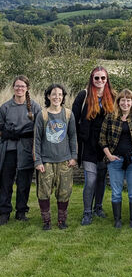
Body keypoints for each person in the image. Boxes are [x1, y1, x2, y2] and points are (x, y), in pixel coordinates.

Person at [99, 89, 132, 228]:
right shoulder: (110, 117)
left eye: (128, 100)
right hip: (115, 160)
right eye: (123, 100)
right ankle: (118, 220)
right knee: (116, 193)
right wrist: (108, 155)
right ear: (118, 102)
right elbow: (102, 138)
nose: (125, 103)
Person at [72, 66, 116, 225]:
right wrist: (76, 143)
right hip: (88, 144)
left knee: (101, 178)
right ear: (92, 79)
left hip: (105, 145)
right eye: (96, 78)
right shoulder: (83, 96)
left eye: (103, 78)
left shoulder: (113, 96)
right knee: (90, 180)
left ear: (107, 79)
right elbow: (73, 120)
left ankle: (98, 207)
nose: (99, 81)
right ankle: (87, 212)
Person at [34, 84, 77, 230]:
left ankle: (61, 221)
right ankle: (46, 221)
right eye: (53, 94)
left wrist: (74, 156)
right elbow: (37, 140)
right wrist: (38, 161)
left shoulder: (68, 114)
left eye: (60, 94)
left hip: (65, 161)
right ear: (48, 96)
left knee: (64, 192)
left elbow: (73, 137)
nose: (57, 97)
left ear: (63, 96)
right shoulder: (42, 115)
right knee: (44, 192)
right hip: (46, 162)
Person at [0, 76, 41, 225]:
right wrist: (8, 133)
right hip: (9, 148)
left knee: (24, 182)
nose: (19, 89)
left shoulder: (35, 107)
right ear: (13, 87)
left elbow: (39, 129)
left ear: (27, 88)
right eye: (17, 86)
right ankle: (4, 212)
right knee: (6, 181)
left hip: (26, 149)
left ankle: (21, 211)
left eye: (22, 86)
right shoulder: (5, 107)